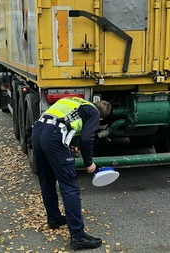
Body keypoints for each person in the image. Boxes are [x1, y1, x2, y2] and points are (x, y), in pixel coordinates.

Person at [32, 96, 112, 250]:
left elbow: (68, 123)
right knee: (69, 186)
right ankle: (78, 236)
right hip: (54, 135)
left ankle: (54, 218)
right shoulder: (94, 113)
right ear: (101, 118)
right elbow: (86, 138)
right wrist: (89, 163)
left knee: (47, 180)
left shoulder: (75, 102)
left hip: (38, 130)